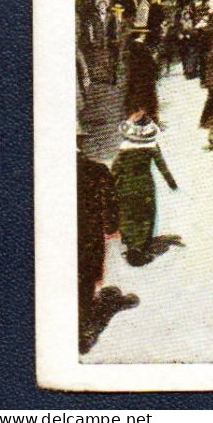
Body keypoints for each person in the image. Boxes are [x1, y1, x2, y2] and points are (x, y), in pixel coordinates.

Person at [78, 132, 136, 353]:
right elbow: (111, 204)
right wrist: (112, 228)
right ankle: (84, 330)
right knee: (86, 273)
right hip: (88, 234)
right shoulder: (97, 170)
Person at [111, 111, 177, 266]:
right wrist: (171, 182)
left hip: (125, 185)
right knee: (145, 215)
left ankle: (130, 243)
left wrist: (112, 185)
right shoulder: (150, 145)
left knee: (127, 213)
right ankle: (141, 246)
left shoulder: (125, 148)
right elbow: (162, 166)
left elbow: (115, 169)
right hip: (144, 185)